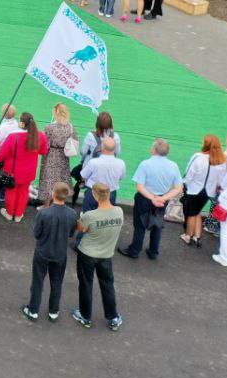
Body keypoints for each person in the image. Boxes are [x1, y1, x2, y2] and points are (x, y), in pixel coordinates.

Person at [22, 182, 78, 322]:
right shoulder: (72, 214)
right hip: (60, 254)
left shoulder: (44, 213)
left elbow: (36, 233)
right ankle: (53, 311)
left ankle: (33, 310)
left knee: (37, 281)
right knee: (57, 282)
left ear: (53, 194)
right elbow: (71, 233)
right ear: (67, 195)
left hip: (42, 252)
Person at [120, 139, 183, 260]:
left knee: (140, 225)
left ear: (153, 150)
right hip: (162, 200)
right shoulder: (174, 166)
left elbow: (139, 187)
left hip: (144, 198)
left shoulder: (145, 164)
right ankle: (153, 251)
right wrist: (162, 198)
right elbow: (178, 188)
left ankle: (135, 250)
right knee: (157, 224)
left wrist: (152, 198)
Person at [73, 183, 124, 330]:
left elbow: (81, 229)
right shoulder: (119, 211)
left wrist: (80, 219)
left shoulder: (90, 215)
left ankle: (85, 316)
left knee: (86, 284)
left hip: (87, 254)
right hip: (106, 255)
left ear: (95, 196)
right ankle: (113, 317)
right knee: (107, 285)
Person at [0, 113, 48, 222]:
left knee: (11, 191)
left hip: (12, 170)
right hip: (29, 171)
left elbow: (1, 155)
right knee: (24, 191)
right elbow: (43, 151)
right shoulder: (40, 136)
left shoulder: (13, 136)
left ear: (22, 123)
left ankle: (9, 213)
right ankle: (18, 215)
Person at [180, 134, 227, 248]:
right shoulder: (221, 160)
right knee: (197, 212)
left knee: (191, 214)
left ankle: (188, 236)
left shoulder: (198, 157)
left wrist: (184, 184)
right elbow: (221, 181)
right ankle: (197, 237)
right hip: (208, 192)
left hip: (194, 190)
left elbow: (189, 175)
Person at [40, 103, 76, 196]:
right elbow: (75, 140)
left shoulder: (49, 127)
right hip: (63, 156)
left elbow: (43, 142)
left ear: (56, 112)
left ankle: (47, 203)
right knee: (61, 179)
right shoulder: (71, 127)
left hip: (50, 156)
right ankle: (59, 201)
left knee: (48, 181)